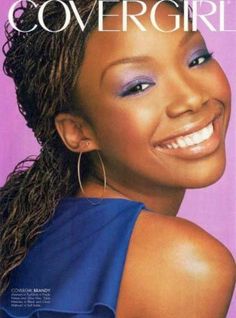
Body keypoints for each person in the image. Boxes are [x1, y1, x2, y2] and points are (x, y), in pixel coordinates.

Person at [0, 0, 235, 317]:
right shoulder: (183, 263)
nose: (192, 98)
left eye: (197, 58)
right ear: (77, 131)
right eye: (139, 86)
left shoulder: (32, 229)